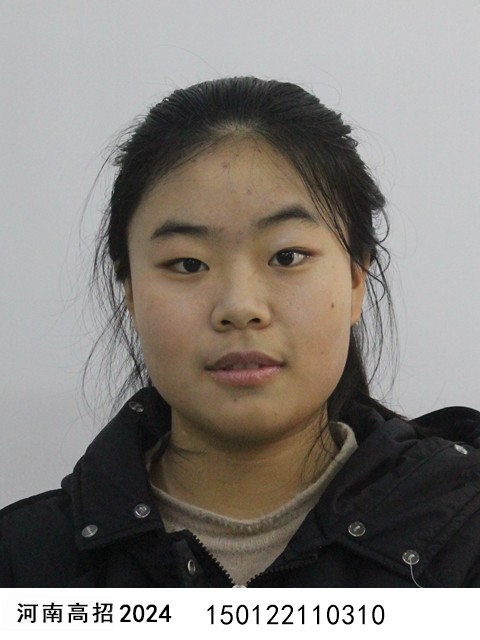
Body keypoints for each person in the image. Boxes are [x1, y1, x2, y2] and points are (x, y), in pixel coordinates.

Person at [1, 77, 480, 588]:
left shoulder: (465, 538)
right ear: (132, 291)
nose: (240, 307)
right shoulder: (25, 563)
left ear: (356, 278)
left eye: (287, 256)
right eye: (187, 264)